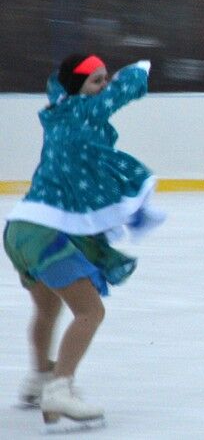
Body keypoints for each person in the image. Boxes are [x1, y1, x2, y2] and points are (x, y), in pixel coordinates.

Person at [3, 53, 164, 430]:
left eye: (105, 79)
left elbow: (60, 82)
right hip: (45, 232)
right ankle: (60, 388)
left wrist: (96, 78)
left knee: (47, 310)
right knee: (90, 312)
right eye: (96, 80)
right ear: (78, 87)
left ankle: (39, 378)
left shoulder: (58, 109)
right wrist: (138, 69)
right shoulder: (81, 110)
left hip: (19, 228)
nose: (103, 87)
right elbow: (122, 92)